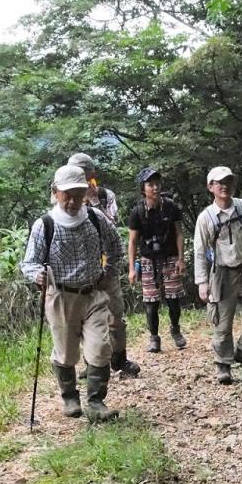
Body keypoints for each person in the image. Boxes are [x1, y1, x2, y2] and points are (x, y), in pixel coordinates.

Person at [20, 164, 123, 422]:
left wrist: (107, 272)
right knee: (66, 353)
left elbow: (116, 246)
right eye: (68, 195)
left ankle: (96, 402)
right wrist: (37, 275)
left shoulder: (96, 219)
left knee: (100, 348)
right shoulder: (45, 225)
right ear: (56, 193)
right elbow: (29, 262)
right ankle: (69, 397)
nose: (74, 201)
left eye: (79, 194)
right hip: (62, 296)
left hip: (93, 294)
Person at [194, 166, 242, 384]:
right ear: (210, 187)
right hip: (221, 275)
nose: (224, 185)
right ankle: (223, 364)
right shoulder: (206, 218)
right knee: (222, 323)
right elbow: (200, 252)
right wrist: (202, 282)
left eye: (228, 180)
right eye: (219, 182)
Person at [68, 152, 140, 378]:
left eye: (83, 171)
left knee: (115, 315)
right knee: (83, 319)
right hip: (81, 268)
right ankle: (92, 363)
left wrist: (94, 201)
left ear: (91, 173)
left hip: (106, 265)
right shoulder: (67, 197)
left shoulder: (106, 195)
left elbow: (112, 225)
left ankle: (120, 359)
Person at [127, 167, 187, 352]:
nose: (154, 187)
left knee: (173, 298)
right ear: (143, 188)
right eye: (150, 184)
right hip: (148, 260)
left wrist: (181, 258)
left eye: (157, 183)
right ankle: (154, 337)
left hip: (170, 256)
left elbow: (178, 233)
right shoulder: (138, 212)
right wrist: (131, 268)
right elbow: (132, 241)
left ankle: (176, 330)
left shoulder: (170, 206)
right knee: (150, 302)